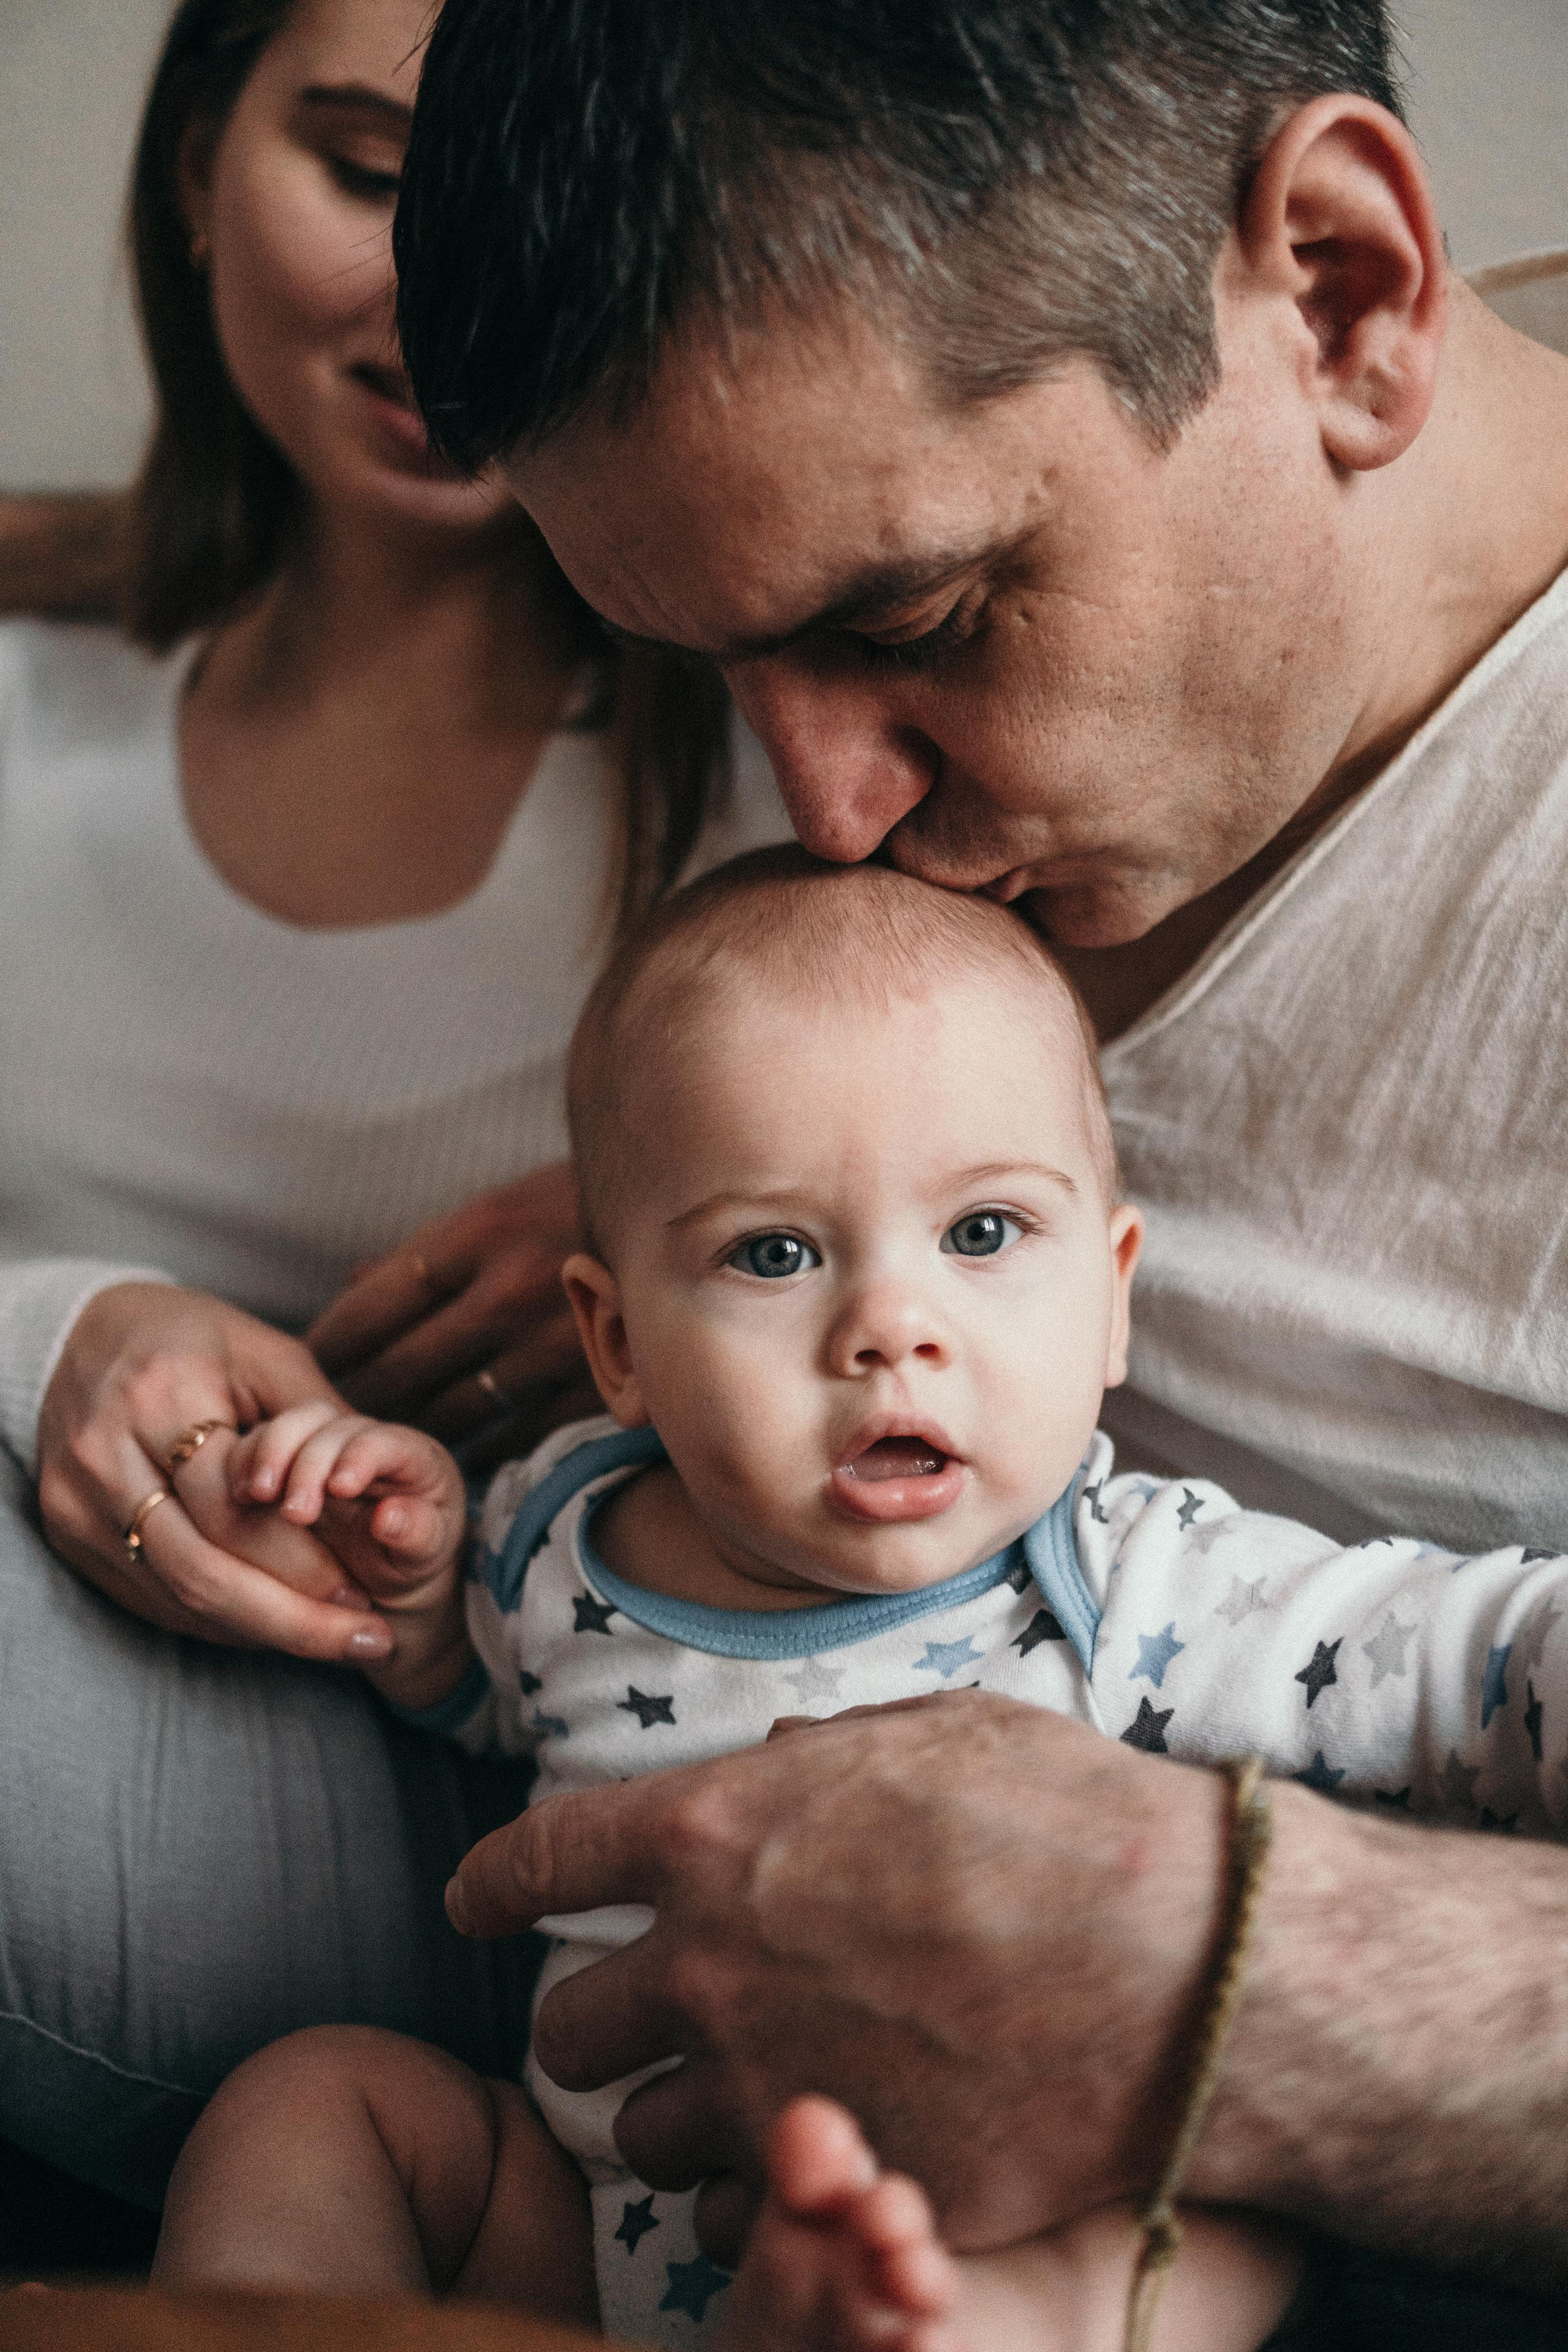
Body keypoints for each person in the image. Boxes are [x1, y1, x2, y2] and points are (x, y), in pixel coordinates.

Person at [385, 0, 1568, 2309]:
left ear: (1337, 297)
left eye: (910, 624)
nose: (830, 822)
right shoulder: (868, 534)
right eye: (714, 676)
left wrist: (1241, 1983)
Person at [151, 851, 1568, 2351]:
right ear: (617, 1338)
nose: (893, 1328)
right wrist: (413, 1588)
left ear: (1111, 1290)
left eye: (980, 1235)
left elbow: (1465, 1665)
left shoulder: (1141, 1586)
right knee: (319, 2101)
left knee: (1204, 2223)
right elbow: (489, 1694)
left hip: (967, 2222)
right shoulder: (566, 1521)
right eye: (775, 1253)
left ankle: (936, 2328)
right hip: (584, 2229)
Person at [0, 0, 783, 2215]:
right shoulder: (23, 721)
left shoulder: (778, 763)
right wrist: (55, 1326)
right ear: (192, 175)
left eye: (546, 196)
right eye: (363, 171)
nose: (453, 289)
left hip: (517, 1807)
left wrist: (673, 1221)